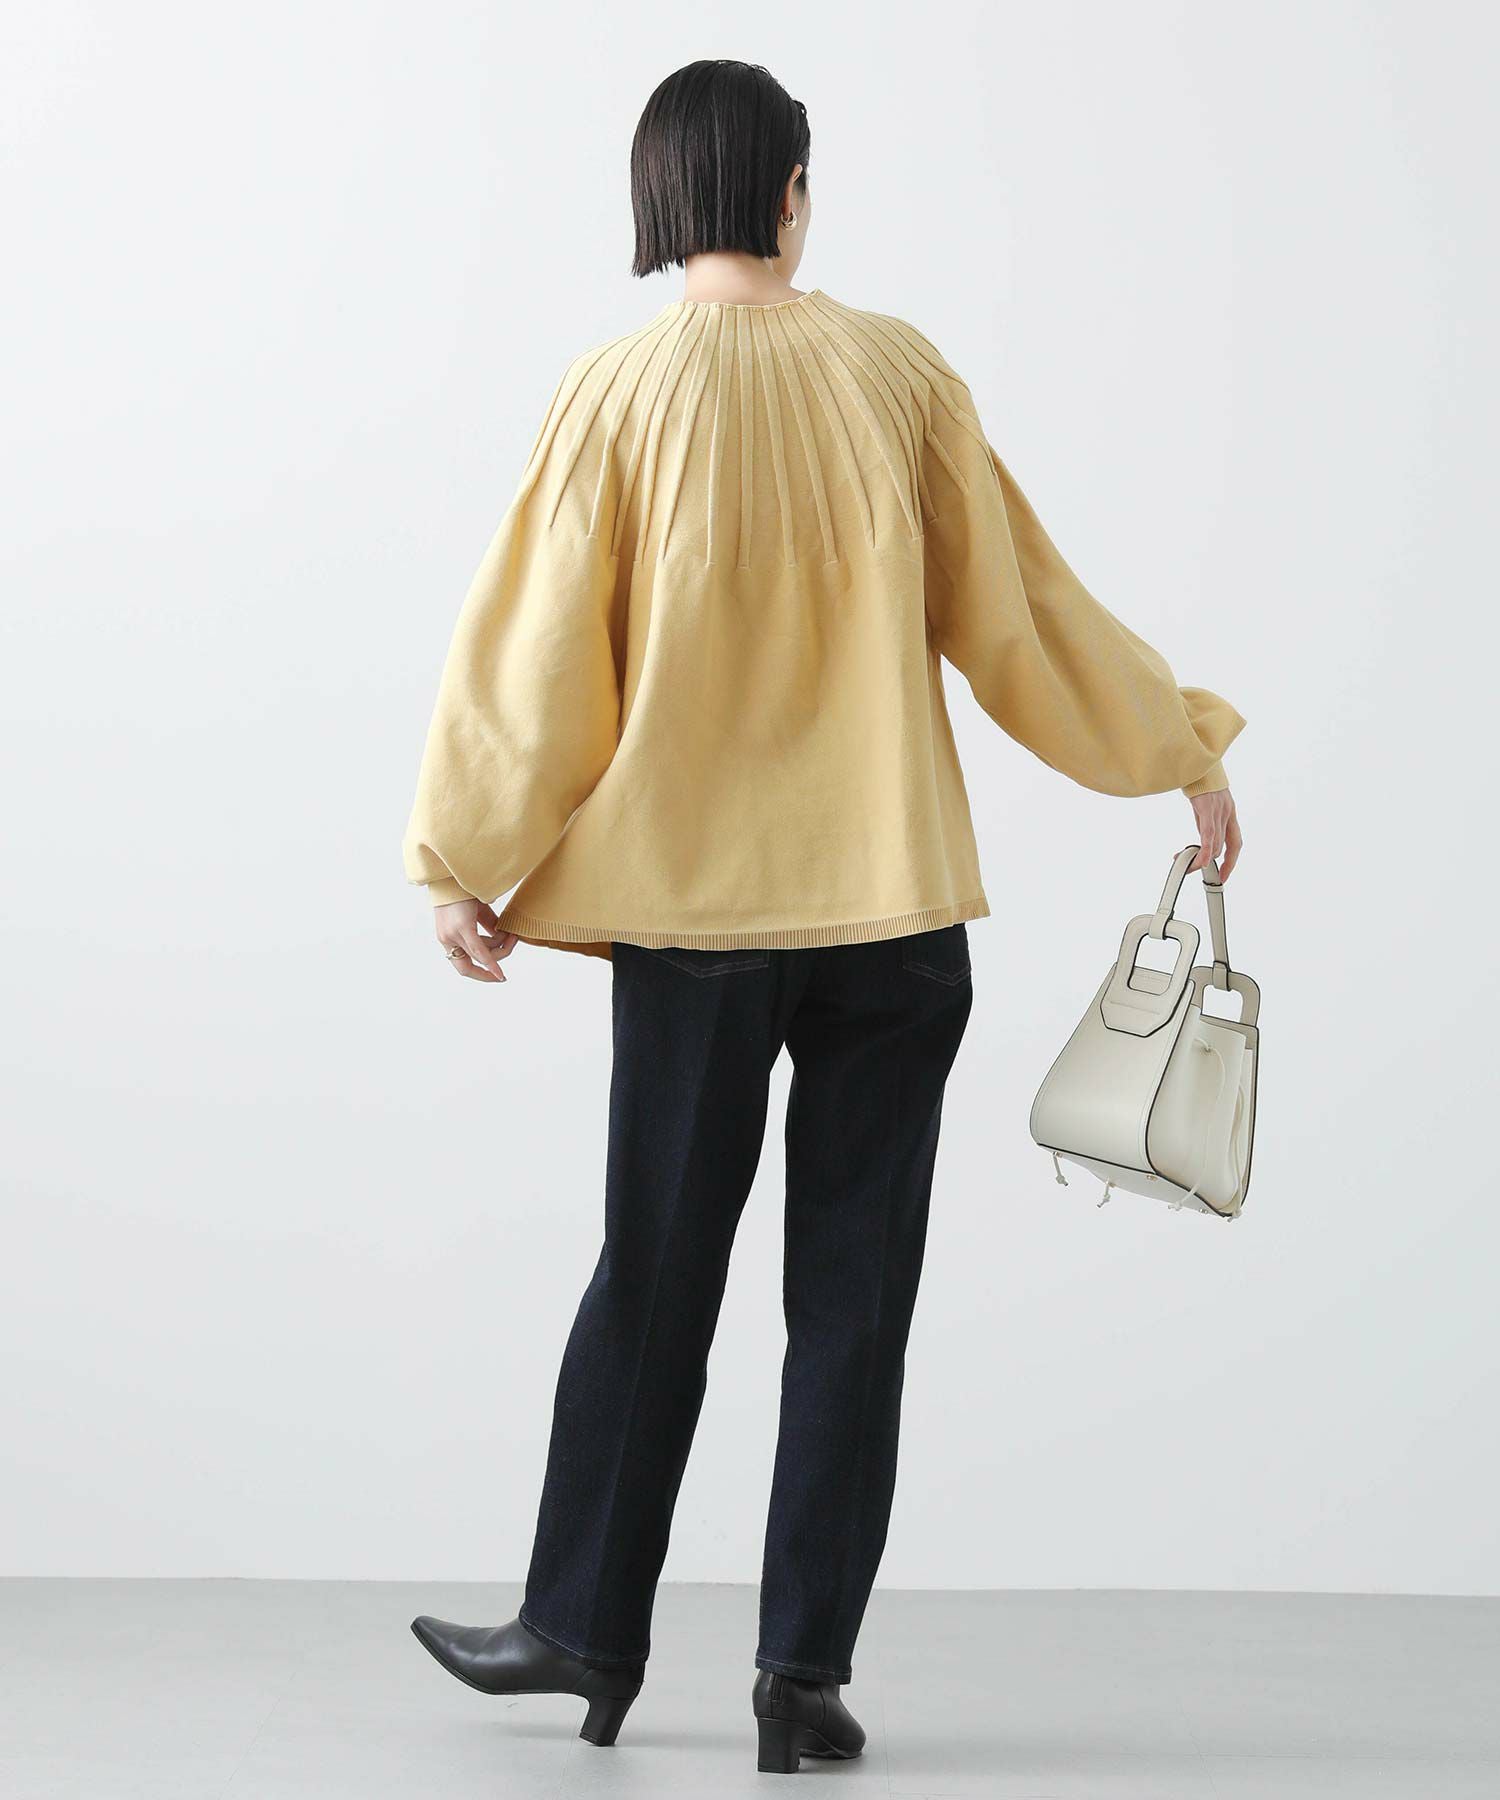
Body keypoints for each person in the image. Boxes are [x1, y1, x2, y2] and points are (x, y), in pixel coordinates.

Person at [402, 58, 1244, 1775]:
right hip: (891, 914)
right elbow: (1023, 621)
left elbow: (536, 663)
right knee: (854, 1297)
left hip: (693, 923)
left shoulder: (616, 395)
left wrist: (459, 858)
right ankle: (803, 1679)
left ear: (659, 200)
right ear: (792, 192)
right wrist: (1177, 745)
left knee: (656, 1274)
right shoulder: (897, 375)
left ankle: (581, 1629)